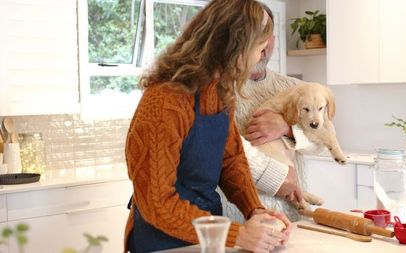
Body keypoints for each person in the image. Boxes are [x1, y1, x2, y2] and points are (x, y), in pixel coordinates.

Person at [123, 1, 292, 252]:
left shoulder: (219, 91)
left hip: (208, 234)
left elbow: (231, 160)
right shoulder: (164, 101)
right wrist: (238, 234)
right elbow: (157, 204)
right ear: (235, 48)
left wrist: (255, 211)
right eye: (259, 46)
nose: (261, 54)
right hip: (161, 240)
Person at [221, 4, 306, 223]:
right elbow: (225, 148)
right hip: (238, 214)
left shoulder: (294, 87)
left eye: (269, 36)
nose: (265, 46)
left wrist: (288, 128)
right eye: (258, 36)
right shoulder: (218, 89)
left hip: (290, 211)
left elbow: (328, 143)